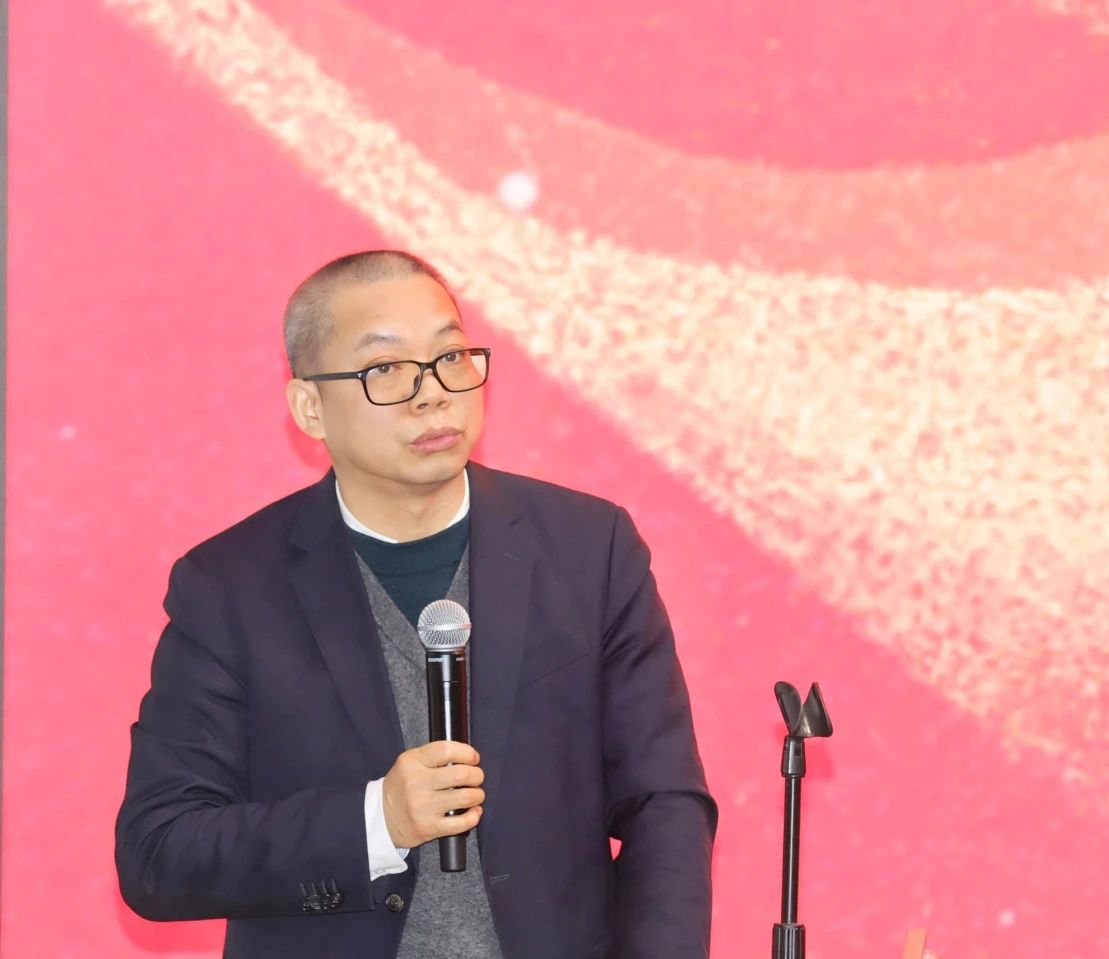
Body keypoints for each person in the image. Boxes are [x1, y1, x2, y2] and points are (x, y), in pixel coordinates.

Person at [116, 251, 717, 959]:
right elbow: (160, 854)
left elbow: (663, 803)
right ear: (310, 407)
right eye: (386, 370)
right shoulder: (229, 587)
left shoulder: (589, 549)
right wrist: (377, 819)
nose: (432, 394)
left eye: (450, 357)